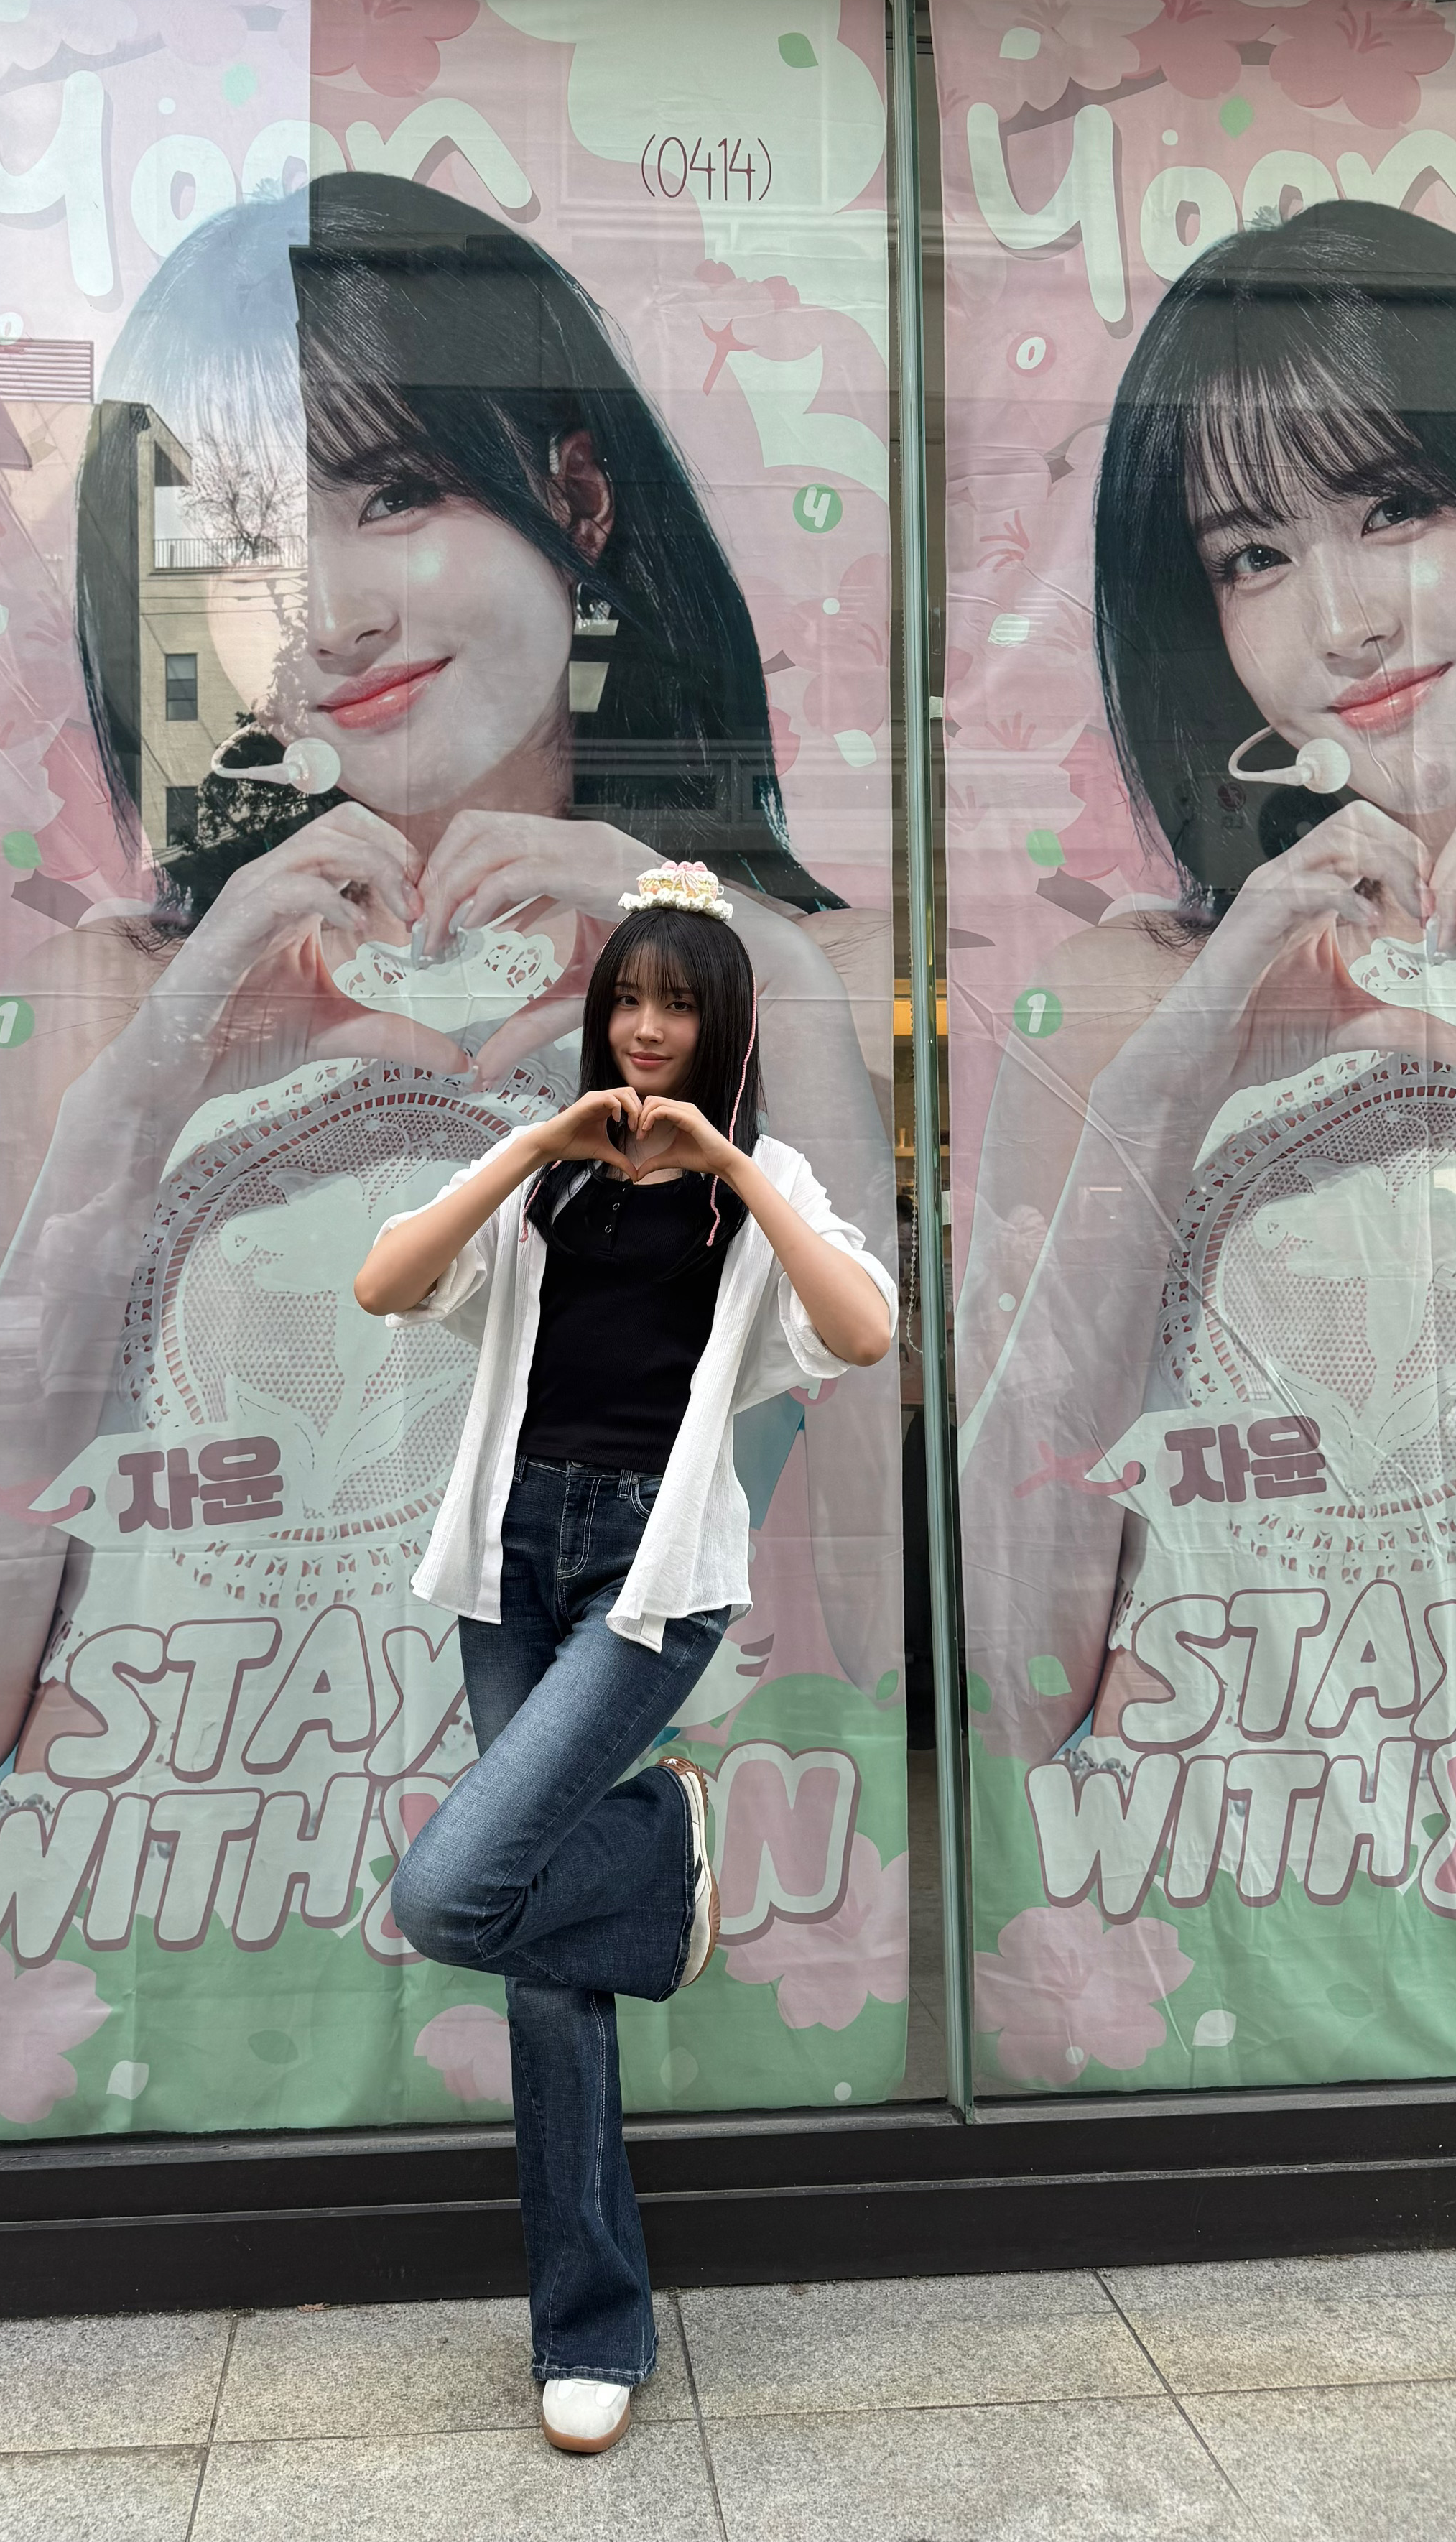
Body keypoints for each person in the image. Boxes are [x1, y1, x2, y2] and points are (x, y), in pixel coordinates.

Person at [0, 175, 896, 2058]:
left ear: (575, 498)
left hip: (684, 1954)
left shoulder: (783, 978)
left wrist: (751, 972)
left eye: (392, 493)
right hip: (179, 1948)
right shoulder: (116, 1003)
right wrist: (159, 1072)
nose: (331, 612)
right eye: (248, 535)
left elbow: (878, 1619)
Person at [955, 198, 1456, 1769]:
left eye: (1393, 506)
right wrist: (1158, 1103)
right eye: (1253, 557)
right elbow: (1023, 1683)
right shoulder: (1135, 1004)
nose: (1344, 623)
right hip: (1249, 1887)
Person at [355, 868, 895, 2451]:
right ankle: (590, 2330)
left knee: (451, 1893)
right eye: (628, 1001)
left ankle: (658, 1833)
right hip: (511, 1559)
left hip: (648, 1578)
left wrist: (729, 1162)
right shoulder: (547, 1181)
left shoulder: (762, 1178)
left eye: (678, 1007)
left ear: (723, 1026)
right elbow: (388, 1283)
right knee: (545, 1964)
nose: (648, 1030)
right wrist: (533, 1145)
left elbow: (862, 1329)